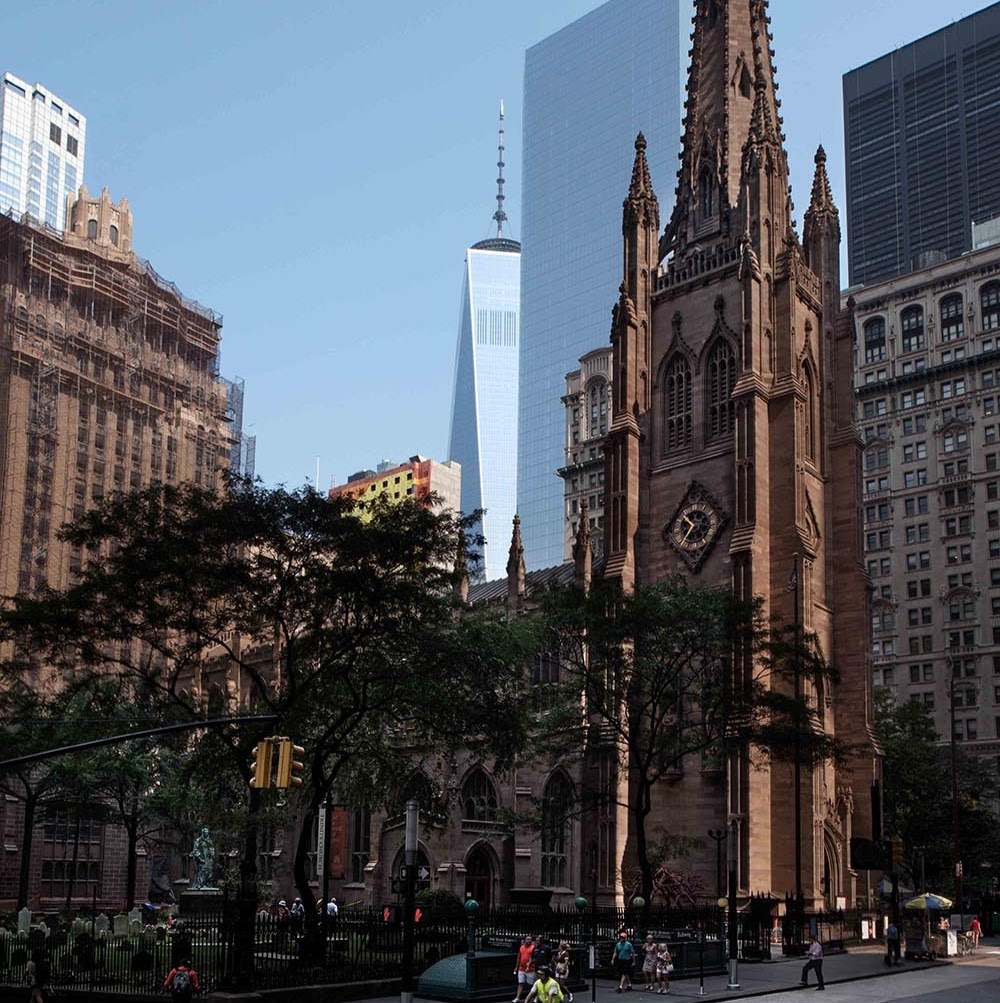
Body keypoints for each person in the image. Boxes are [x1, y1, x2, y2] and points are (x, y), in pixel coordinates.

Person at [514, 935, 535, 1003]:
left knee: (531, 984)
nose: (529, 940)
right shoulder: (521, 947)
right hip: (521, 968)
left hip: (530, 969)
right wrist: (516, 967)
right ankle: (517, 998)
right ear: (525, 940)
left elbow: (534, 958)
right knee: (520, 983)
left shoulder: (533, 947)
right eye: (528, 939)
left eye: (530, 939)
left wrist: (529, 964)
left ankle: (531, 998)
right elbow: (518, 958)